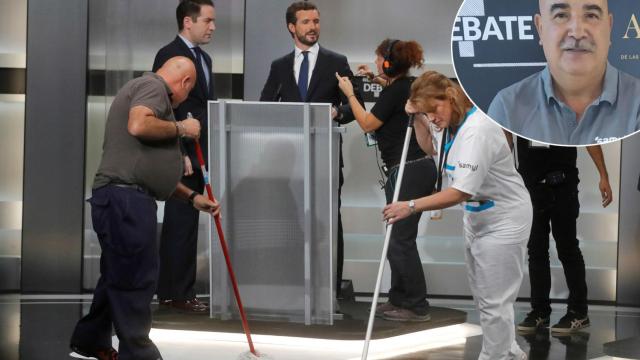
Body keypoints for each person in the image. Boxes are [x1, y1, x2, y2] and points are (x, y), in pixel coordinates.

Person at [69, 57, 220, 360]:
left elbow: (149, 169)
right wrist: (182, 128)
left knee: (118, 274)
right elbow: (138, 124)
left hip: (120, 197)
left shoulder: (145, 90)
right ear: (186, 83)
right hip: (126, 200)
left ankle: (90, 339)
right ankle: (139, 354)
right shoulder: (154, 87)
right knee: (136, 279)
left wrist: (192, 198)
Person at [384, 71, 531, 360]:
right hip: (477, 215)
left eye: (434, 110)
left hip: (504, 218)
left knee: (494, 301)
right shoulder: (449, 121)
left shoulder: (478, 129)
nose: (434, 118)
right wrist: (418, 118)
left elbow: (459, 192)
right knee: (486, 296)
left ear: (449, 97)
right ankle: (509, 350)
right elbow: (433, 151)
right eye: (427, 112)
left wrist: (410, 206)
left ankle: (495, 356)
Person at [259, 1, 363, 298]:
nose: (313, 27)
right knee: (290, 219)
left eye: (316, 21)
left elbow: (355, 107)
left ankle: (329, 287)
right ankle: (292, 283)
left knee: (328, 219)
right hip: (288, 160)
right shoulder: (279, 66)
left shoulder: (337, 61)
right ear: (292, 27)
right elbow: (265, 105)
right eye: (306, 22)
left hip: (325, 156)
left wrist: (335, 113)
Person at [335, 39, 435, 321]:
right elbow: (393, 94)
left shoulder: (396, 91)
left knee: (401, 240)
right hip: (410, 169)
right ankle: (398, 299)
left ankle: (416, 305)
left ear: (389, 62)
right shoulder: (404, 86)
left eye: (379, 60)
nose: (377, 63)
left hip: (409, 169)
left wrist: (350, 94)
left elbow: (367, 123)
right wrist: (374, 79)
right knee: (398, 238)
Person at [488, 0, 640, 145]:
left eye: (591, 15)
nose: (577, 33)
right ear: (540, 28)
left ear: (609, 27)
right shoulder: (506, 108)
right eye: (561, 15)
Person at [152, 0, 216, 313]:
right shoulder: (169, 55)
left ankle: (181, 291)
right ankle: (174, 294)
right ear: (188, 22)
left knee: (188, 224)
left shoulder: (204, 58)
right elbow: (162, 107)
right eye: (208, 20)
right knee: (179, 224)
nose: (212, 27)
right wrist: (179, 151)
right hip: (182, 153)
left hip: (200, 151)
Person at [514, 138, 612, 333]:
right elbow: (506, 137)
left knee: (567, 248)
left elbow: (589, 136)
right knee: (536, 250)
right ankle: (540, 311)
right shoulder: (520, 110)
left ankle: (578, 312)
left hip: (562, 184)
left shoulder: (566, 109)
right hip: (530, 186)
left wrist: (603, 175)